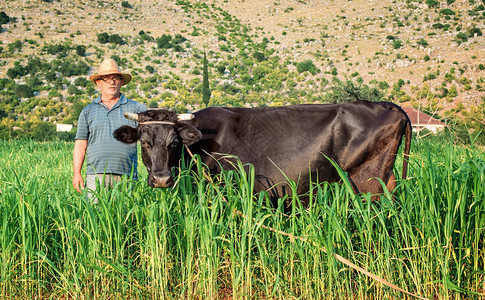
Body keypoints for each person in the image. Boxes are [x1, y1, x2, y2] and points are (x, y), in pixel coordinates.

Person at [72, 58, 147, 201]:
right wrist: (77, 173)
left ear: (121, 82)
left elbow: (153, 127)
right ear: (98, 83)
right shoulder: (88, 111)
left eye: (116, 78)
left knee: (126, 217)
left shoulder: (136, 108)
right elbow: (81, 145)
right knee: (96, 218)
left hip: (127, 175)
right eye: (107, 79)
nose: (112, 82)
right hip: (95, 175)